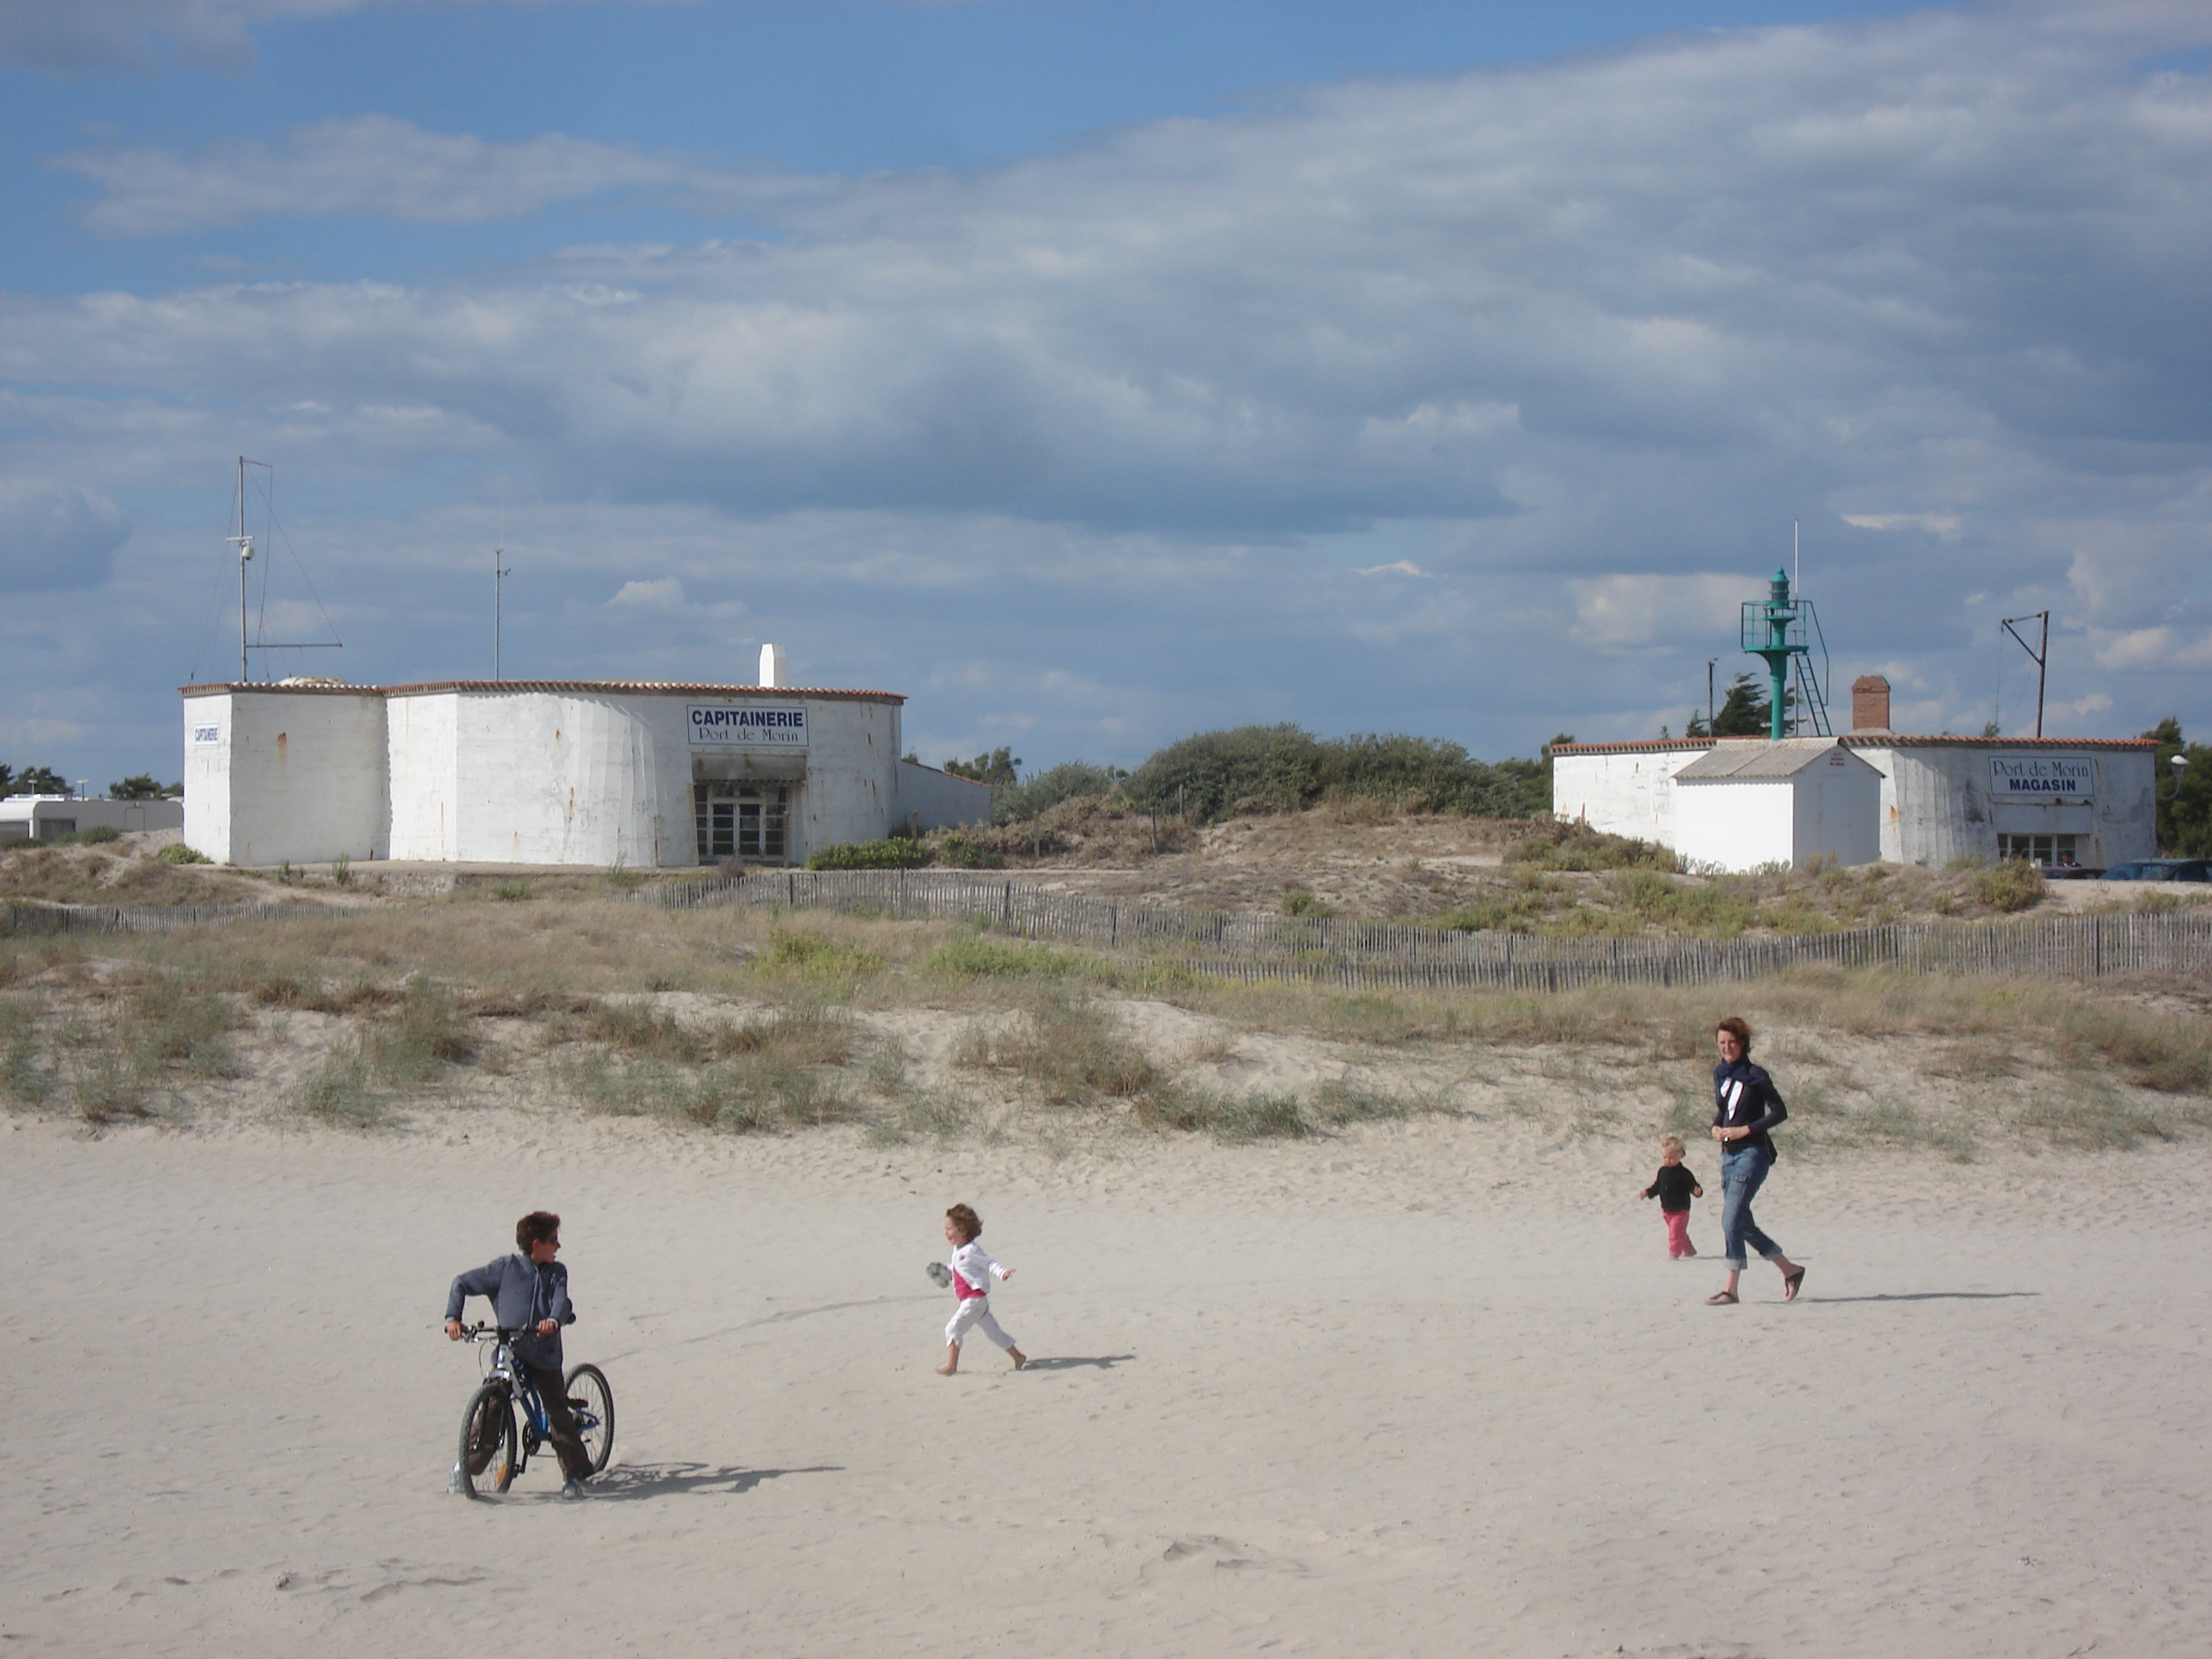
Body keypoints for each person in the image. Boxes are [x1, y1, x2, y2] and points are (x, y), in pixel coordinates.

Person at [445, 1210, 597, 1496]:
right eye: (553, 1240)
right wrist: (453, 1318)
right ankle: (467, 1469)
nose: (558, 1246)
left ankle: (573, 1476)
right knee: (491, 1409)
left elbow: (561, 1301)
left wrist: (553, 1320)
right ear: (536, 1243)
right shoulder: (505, 1268)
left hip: (545, 1353)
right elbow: (461, 1283)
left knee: (557, 1413)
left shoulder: (556, 1272)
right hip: (509, 1350)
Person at [1707, 1018, 1806, 1306]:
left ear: (1743, 1044)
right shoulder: (1720, 1074)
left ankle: (1731, 1290)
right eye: (1722, 1043)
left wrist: (1746, 1130)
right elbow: (1724, 1110)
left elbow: (1779, 1112)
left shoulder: (1756, 1075)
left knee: (1730, 1221)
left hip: (1753, 1154)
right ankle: (1791, 1270)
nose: (1727, 1048)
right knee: (1742, 1223)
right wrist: (1716, 1127)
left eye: (1732, 1043)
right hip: (1728, 1155)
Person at [935, 1203, 1027, 1375]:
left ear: (962, 1230)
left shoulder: (972, 1250)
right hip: (976, 1303)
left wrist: (1002, 1273)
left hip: (974, 1300)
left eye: (949, 1228)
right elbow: (961, 1269)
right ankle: (1018, 1357)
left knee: (953, 1328)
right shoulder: (958, 1250)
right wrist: (944, 1270)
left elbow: (989, 1263)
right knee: (994, 1334)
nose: (945, 1232)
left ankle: (951, 1366)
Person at [1639, 1134, 1703, 1258]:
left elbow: (1692, 1185)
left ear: (1680, 1156)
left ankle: (1674, 1255)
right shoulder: (1662, 1171)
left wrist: (1697, 1191)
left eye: (1671, 1158)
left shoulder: (1684, 1173)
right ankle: (1689, 1250)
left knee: (1674, 1234)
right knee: (1679, 1233)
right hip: (1667, 1210)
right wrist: (1647, 1192)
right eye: (1665, 1157)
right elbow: (1658, 1186)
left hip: (1681, 1210)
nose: (1668, 1160)